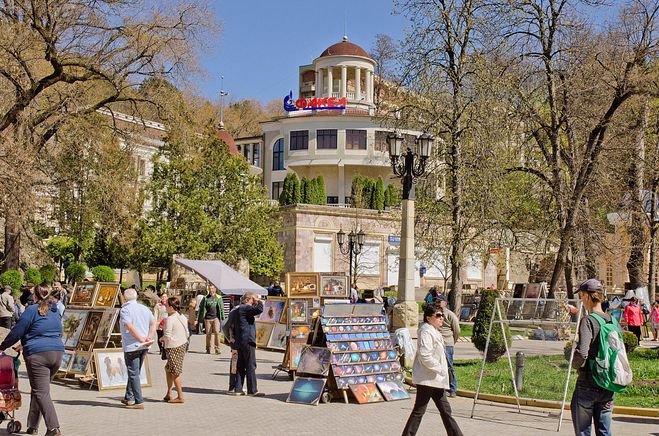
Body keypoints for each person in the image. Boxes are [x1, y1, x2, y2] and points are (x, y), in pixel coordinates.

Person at [0, 284, 64, 436]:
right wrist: (25, 344)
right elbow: (50, 331)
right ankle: (33, 426)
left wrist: (2, 346)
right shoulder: (55, 311)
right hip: (57, 353)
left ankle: (53, 428)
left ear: (34, 296)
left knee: (41, 392)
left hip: (38, 355)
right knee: (40, 390)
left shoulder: (31, 310)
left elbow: (17, 331)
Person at [402, 302, 463, 436]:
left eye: (442, 315)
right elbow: (425, 355)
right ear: (429, 318)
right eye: (438, 315)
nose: (442, 318)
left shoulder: (433, 330)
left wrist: (441, 370)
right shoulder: (426, 332)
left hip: (435, 379)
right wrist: (439, 368)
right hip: (428, 379)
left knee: (445, 410)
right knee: (419, 411)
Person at [571, 279, 615, 436]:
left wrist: (573, 363)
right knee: (605, 431)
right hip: (608, 383)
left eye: (582, 295)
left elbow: (583, 352)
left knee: (583, 431)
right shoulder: (612, 320)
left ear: (588, 297)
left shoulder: (588, 321)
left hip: (588, 383)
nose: (581, 299)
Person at [119, 287, 156, 409]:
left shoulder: (125, 310)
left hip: (132, 345)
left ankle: (138, 401)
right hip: (144, 345)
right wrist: (148, 337)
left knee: (133, 373)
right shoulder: (144, 308)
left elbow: (129, 326)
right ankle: (129, 397)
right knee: (135, 371)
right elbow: (153, 322)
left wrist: (141, 338)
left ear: (125, 298)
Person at [232, 292, 264, 396]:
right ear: (248, 299)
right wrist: (258, 300)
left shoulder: (237, 309)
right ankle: (252, 390)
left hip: (239, 340)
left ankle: (238, 389)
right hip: (247, 340)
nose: (253, 302)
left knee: (240, 365)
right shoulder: (245, 308)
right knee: (251, 365)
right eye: (252, 300)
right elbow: (259, 309)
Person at [161, 297, 188, 404]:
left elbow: (167, 335)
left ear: (171, 307)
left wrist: (161, 339)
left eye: (167, 305)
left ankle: (180, 396)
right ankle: (169, 392)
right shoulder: (182, 316)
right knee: (168, 369)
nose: (165, 307)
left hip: (174, 346)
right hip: (182, 344)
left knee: (175, 372)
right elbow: (187, 331)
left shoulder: (170, 319)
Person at [436, 295, 460, 397]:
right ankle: (442, 387)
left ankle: (453, 388)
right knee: (439, 366)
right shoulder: (435, 314)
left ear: (445, 303)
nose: (437, 303)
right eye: (436, 301)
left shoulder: (450, 314)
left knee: (449, 366)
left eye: (439, 301)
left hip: (447, 343)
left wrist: (452, 342)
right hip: (437, 343)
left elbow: (457, 330)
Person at [196, 285, 225, 354]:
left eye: (212, 289)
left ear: (215, 289)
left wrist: (223, 319)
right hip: (207, 318)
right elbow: (200, 309)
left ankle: (217, 349)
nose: (211, 290)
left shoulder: (219, 297)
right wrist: (197, 319)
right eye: (209, 289)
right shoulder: (205, 298)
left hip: (216, 318)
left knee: (217, 333)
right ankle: (208, 348)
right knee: (208, 334)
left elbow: (222, 309)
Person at [222, 300, 242, 393]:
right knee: (235, 363)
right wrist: (229, 338)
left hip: (236, 341)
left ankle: (234, 385)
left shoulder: (237, 310)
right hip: (235, 342)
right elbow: (225, 325)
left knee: (236, 363)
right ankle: (232, 386)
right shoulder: (235, 310)